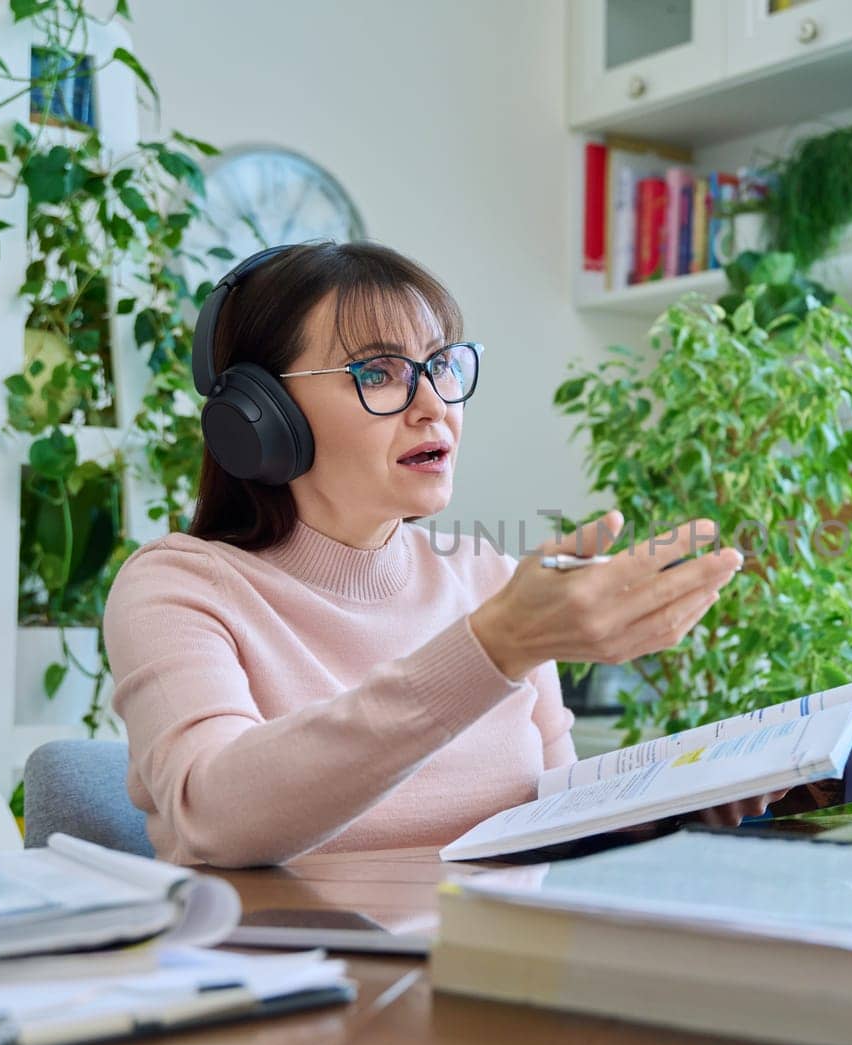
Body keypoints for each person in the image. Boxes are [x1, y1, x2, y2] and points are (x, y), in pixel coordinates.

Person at [102, 241, 771, 868]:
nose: (433, 405)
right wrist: (490, 649)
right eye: (377, 372)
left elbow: (561, 814)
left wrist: (674, 807)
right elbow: (213, 813)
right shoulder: (178, 586)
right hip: (296, 974)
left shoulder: (488, 579)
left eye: (442, 364)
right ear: (263, 415)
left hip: (496, 958)